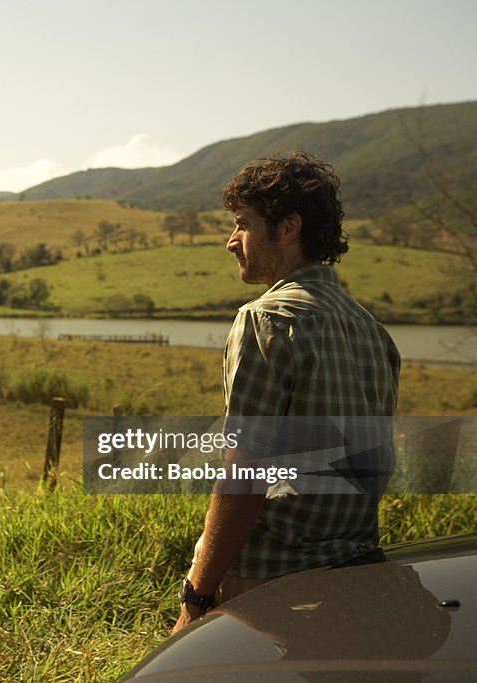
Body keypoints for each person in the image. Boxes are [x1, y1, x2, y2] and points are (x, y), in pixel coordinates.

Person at [172, 151, 401, 634]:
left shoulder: (264, 320)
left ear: (288, 228)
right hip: (356, 576)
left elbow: (244, 474)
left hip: (269, 581)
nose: (231, 242)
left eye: (243, 224)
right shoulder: (373, 332)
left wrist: (198, 594)